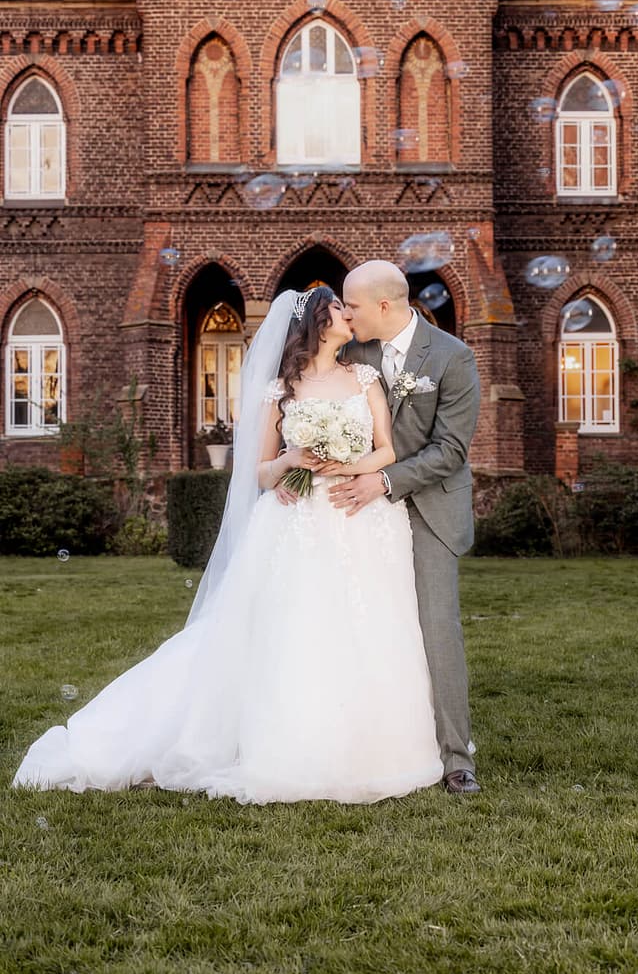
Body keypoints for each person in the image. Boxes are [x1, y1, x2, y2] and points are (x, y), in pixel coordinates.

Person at [12, 286, 444, 805]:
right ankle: (296, 745)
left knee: (370, 627)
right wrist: (291, 463)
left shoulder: (364, 377)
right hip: (299, 522)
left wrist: (343, 467)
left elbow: (386, 450)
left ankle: (379, 748)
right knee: (299, 632)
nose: (347, 315)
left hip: (360, 513)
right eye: (337, 309)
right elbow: (259, 471)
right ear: (315, 324)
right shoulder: (280, 390)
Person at [337, 261, 481, 795]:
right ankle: (370, 742)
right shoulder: (351, 354)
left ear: (383, 305)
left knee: (437, 629)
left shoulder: (452, 356)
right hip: (361, 511)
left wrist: (386, 482)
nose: (345, 314)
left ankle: (456, 758)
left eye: (351, 305)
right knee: (364, 624)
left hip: (429, 509)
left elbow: (452, 449)